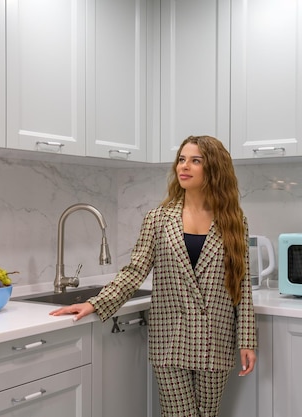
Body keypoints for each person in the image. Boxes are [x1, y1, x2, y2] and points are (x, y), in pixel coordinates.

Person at [50, 135, 257, 416]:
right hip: (170, 338)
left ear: (214, 169)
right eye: (182, 159)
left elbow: (241, 285)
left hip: (215, 339)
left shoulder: (234, 221)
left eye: (195, 161)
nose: (184, 166)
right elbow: (135, 271)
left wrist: (247, 340)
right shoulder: (158, 218)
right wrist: (95, 303)